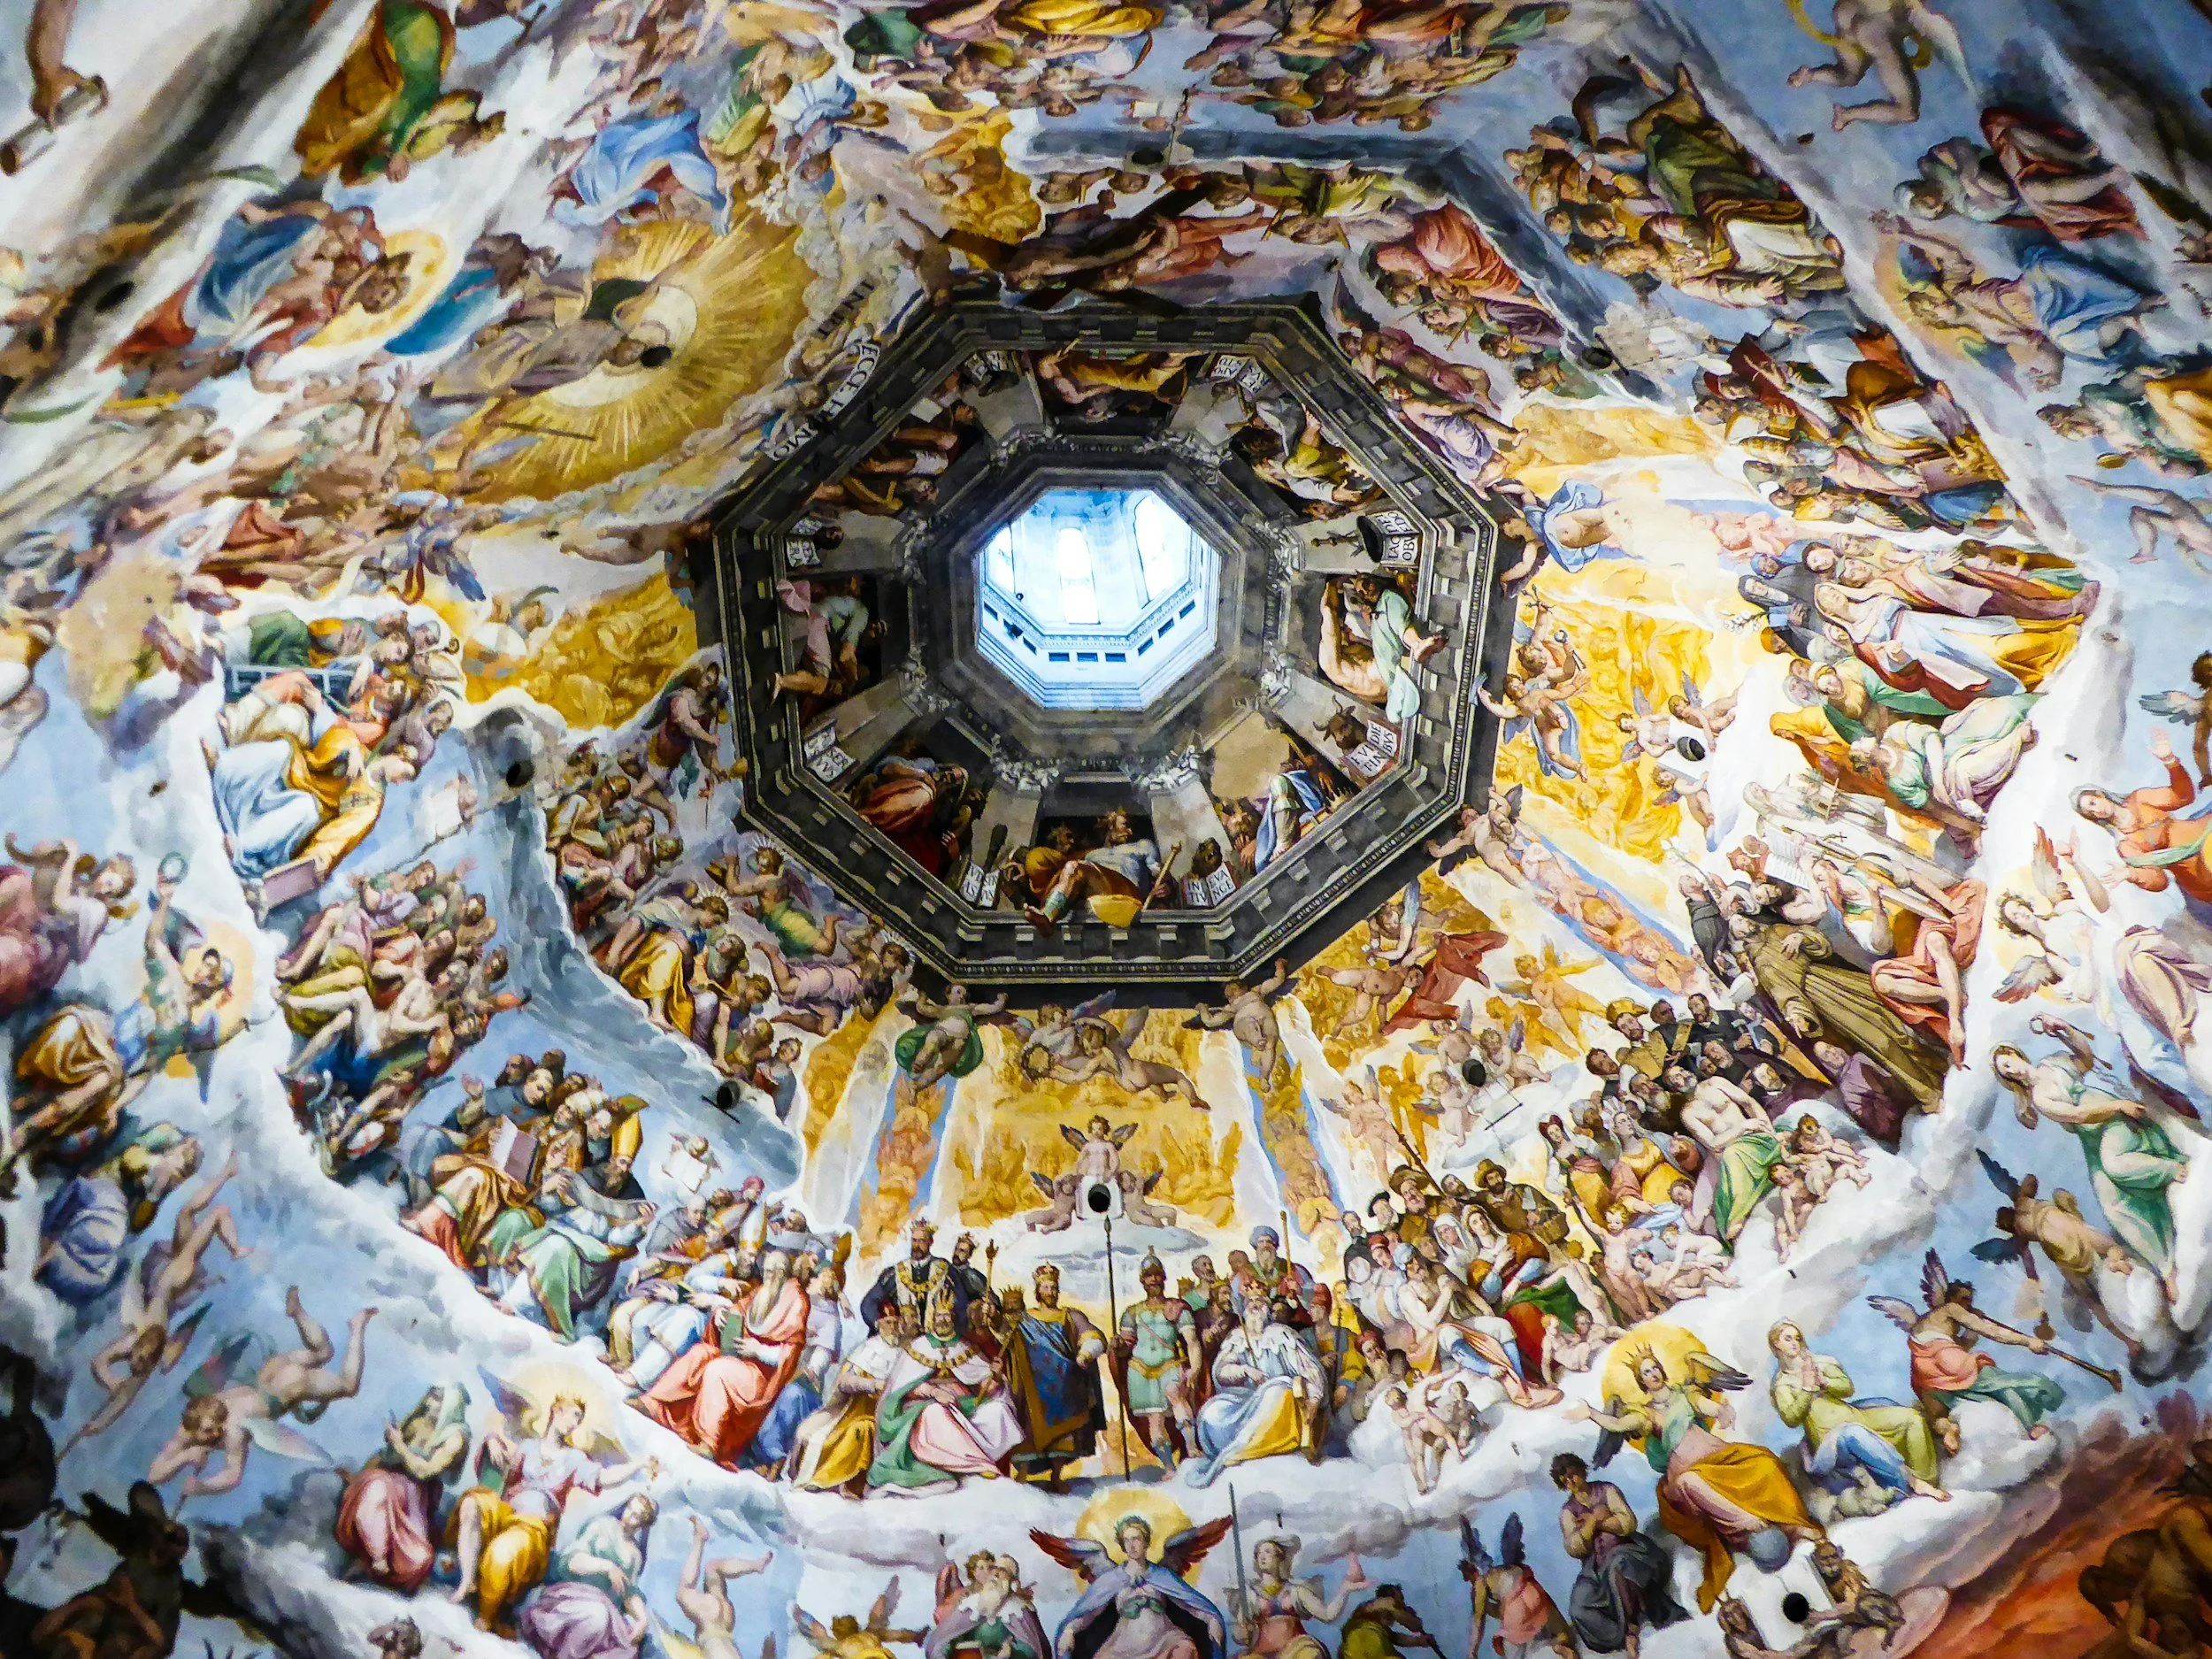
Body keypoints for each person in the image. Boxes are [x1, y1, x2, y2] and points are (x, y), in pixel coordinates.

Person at [1568, 1346, 1823, 1611]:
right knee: (1691, 1482)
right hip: (1686, 1472)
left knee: (1766, 1463)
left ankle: (1794, 1524)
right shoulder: (1644, 1414)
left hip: (1718, 1456)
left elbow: (1706, 1405)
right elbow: (1619, 1426)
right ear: (1641, 1381)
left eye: (1655, 1367)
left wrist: (1722, 1412)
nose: (1653, 1373)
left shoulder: (1684, 1393)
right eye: (1646, 1372)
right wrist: (1592, 1414)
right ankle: (1746, 1523)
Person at [447, 1394, 657, 1632]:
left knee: (503, 1553)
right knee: (472, 1504)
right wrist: (492, 1440)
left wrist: (638, 1464)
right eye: (574, 1415)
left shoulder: (575, 1459)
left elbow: (604, 1478)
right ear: (557, 1410)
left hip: (532, 1527)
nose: (576, 1423)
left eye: (580, 1419)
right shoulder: (528, 1446)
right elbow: (504, 1463)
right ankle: (467, 1581)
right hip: (505, 1510)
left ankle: (487, 1613)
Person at [147, 1289, 376, 1498]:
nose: (213, 1433)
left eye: (213, 1428)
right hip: (272, 1370)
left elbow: (233, 1475)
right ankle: (297, 1313)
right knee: (323, 1352)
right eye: (206, 1432)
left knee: (348, 1385)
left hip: (286, 1387)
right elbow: (154, 1474)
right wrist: (184, 1457)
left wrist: (202, 1487)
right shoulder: (188, 1428)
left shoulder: (233, 1429)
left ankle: (356, 1328)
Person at [641, 1249, 810, 1469]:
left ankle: (709, 1442)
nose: (766, 1276)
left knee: (718, 1370)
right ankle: (654, 1403)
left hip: (761, 1378)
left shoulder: (796, 1301)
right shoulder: (762, 1292)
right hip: (739, 1359)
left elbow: (790, 1353)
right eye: (766, 1271)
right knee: (700, 1353)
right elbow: (738, 1310)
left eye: (770, 1272)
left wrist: (758, 1350)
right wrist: (721, 1314)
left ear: (780, 1273)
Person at [1766, 1320, 1945, 1507]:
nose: (1794, 1342)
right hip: (1831, 1439)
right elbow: (1791, 1419)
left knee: (1911, 1418)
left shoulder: (1821, 1362)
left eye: (1797, 1338)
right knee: (1854, 1434)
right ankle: (1907, 1484)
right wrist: (1806, 1389)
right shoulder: (1782, 1384)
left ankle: (1926, 1480)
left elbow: (1847, 1388)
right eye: (1788, 1339)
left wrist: (1824, 1381)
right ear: (1776, 1344)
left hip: (1857, 1416)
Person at [866, 1287, 1024, 1495]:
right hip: (922, 1406)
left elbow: (989, 1388)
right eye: (939, 1315)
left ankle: (972, 1463)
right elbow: (904, 1388)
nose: (943, 1320)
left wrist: (993, 1375)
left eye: (947, 1315)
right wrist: (933, 1392)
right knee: (936, 1413)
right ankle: (977, 1465)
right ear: (933, 1318)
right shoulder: (919, 1346)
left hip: (964, 1404)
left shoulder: (963, 1346)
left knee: (998, 1410)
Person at [1550, 1453, 1689, 1659]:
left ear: (1581, 1471)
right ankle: (1618, 1636)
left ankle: (1631, 1629)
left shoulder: (1607, 1490)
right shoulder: (1568, 1512)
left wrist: (1599, 1522)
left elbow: (1627, 1524)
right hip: (1595, 1567)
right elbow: (1574, 1548)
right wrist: (1593, 1523)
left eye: (1573, 1474)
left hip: (1630, 1551)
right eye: (1565, 1479)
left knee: (1619, 1565)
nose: (1571, 1481)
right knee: (1578, 1605)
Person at [335, 1383, 472, 1592]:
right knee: (376, 1487)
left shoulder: (455, 1437)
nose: (430, 1404)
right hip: (390, 1480)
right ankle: (374, 1556)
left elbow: (425, 1471)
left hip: (415, 1495)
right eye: (431, 1397)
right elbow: (387, 1456)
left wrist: (399, 1445)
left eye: (438, 1400)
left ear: (451, 1405)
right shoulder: (419, 1423)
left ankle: (378, 1567)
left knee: (419, 1559)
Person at [1187, 1297, 1326, 1486]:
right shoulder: (1237, 1337)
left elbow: (1312, 1371)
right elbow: (1221, 1371)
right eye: (1250, 1301)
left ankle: (1241, 1450)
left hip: (1283, 1402)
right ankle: (1239, 1445)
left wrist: (1313, 1401)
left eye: (1260, 1301)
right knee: (1212, 1412)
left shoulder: (1282, 1334)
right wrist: (1244, 1370)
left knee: (1276, 1390)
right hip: (1248, 1400)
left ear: (1267, 1309)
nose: (1254, 1304)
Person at [516, 1491, 659, 1659]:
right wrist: (605, 1566)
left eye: (637, 1516)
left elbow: (629, 1592)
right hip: (574, 1596)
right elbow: (571, 1562)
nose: (628, 1517)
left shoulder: (635, 1555)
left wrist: (642, 1619)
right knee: (595, 1617)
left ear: (643, 1524)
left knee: (626, 1649)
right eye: (629, 1509)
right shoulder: (602, 1526)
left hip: (609, 1613)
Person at [999, 1264, 1107, 1483]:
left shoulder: (1070, 1315)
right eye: (1045, 1287)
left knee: (1065, 1423)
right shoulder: (1025, 1318)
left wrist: (1086, 1352)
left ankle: (1057, 1476)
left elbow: (1092, 1334)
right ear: (1037, 1291)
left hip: (1065, 1381)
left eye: (1053, 1287)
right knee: (1027, 1420)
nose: (1050, 1292)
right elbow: (1004, 1335)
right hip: (1033, 1383)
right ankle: (1022, 1474)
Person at [1227, 1535, 1368, 1659]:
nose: (1262, 1556)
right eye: (1259, 1553)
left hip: (1295, 1649)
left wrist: (1345, 1590)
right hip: (1262, 1653)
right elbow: (1239, 1635)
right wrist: (1242, 1633)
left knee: (1309, 1655)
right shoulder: (1249, 1595)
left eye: (1268, 1552)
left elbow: (1327, 1615)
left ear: (1280, 1558)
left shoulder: (1296, 1590)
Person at [670, 1517, 772, 1659]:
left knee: (696, 1581)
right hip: (720, 1627)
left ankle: (755, 1565)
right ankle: (755, 1565)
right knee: (701, 1577)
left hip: (722, 1625)